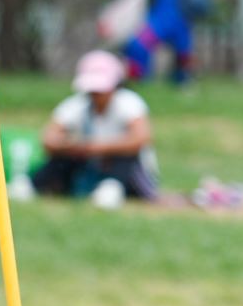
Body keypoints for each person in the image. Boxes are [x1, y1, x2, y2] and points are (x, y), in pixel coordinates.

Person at [27, 50, 158, 202]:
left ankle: (112, 188)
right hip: (88, 165)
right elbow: (48, 139)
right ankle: (33, 185)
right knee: (61, 160)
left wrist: (96, 147)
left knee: (125, 157)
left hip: (128, 171)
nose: (96, 94)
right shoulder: (77, 104)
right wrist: (70, 145)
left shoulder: (128, 102)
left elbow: (141, 138)